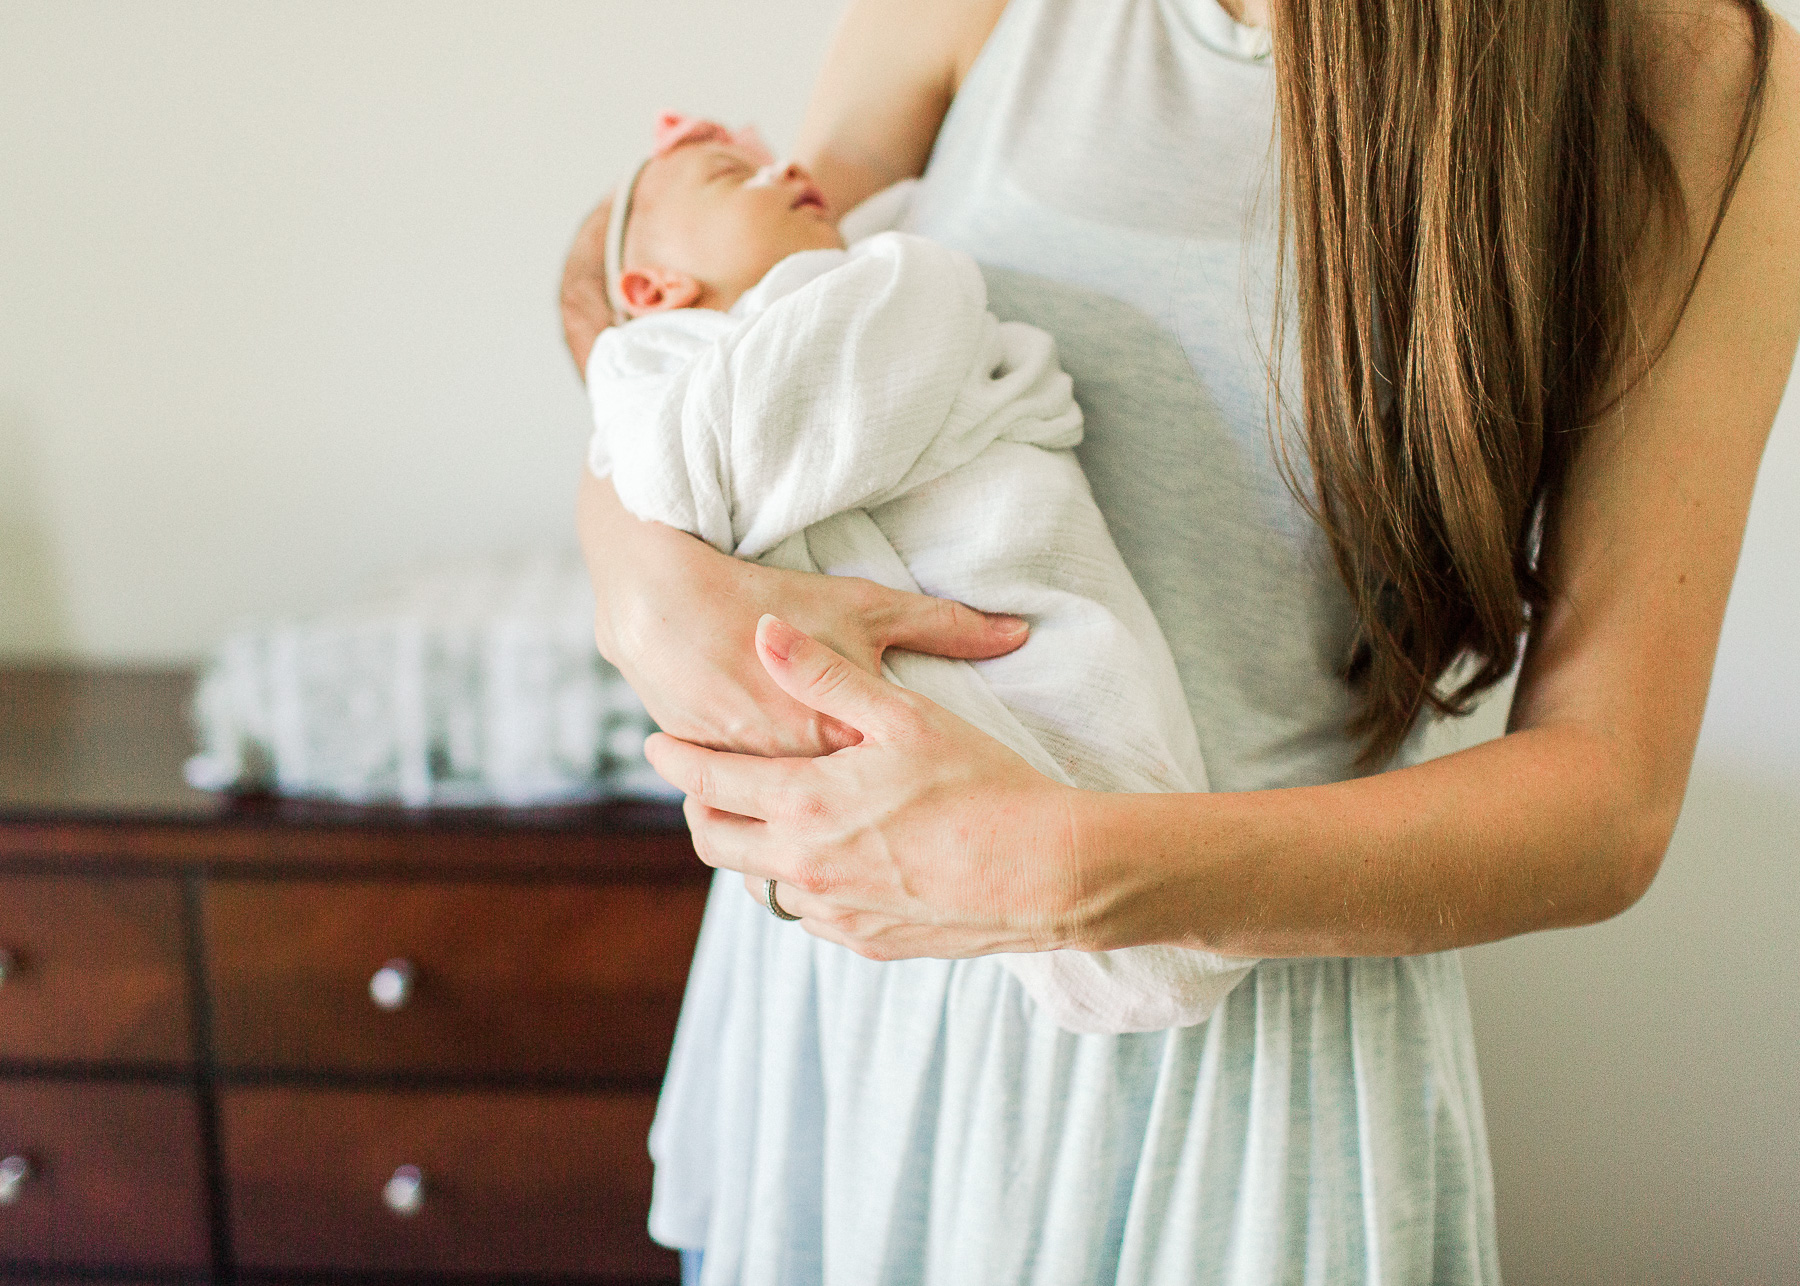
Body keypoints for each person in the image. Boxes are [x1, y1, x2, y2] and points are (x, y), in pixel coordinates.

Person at [562, 0, 1800, 1280]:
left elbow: (1609, 798)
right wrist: (635, 578)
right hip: (856, 1017)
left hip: (1235, 1098)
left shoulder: (1691, 70)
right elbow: (724, 338)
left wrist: (1074, 868)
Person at [587, 111, 1257, 1033]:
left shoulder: (877, 286)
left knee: (1089, 756)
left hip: (1024, 591)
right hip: (853, 944)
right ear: (652, 286)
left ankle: (1130, 886)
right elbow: (662, 477)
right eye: (726, 175)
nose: (783, 163)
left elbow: (670, 491)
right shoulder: (659, 370)